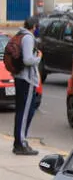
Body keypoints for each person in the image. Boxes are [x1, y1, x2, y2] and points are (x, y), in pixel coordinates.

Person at [12, 17, 41, 155]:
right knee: (25, 112)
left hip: (19, 77)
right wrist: (39, 57)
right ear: (34, 26)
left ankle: (18, 141)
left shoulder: (19, 34)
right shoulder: (28, 38)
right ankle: (21, 144)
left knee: (21, 111)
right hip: (27, 79)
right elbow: (28, 60)